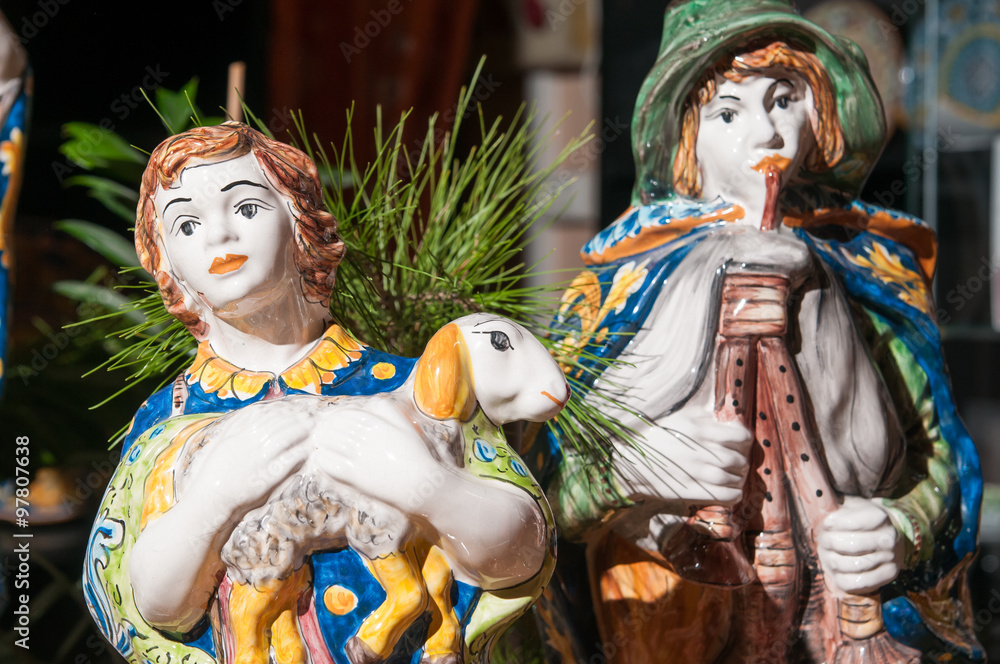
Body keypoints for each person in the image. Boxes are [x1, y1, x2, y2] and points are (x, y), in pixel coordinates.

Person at [537, 1, 983, 662]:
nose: (766, 135)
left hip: (838, 623)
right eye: (728, 112)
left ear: (820, 117)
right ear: (688, 136)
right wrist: (629, 467)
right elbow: (540, 477)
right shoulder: (619, 286)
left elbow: (938, 450)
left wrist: (901, 527)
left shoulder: (870, 271)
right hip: (666, 619)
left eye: (784, 101)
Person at [83, 122, 557, 664]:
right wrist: (212, 500)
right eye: (187, 224)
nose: (218, 237)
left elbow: (521, 554)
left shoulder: (412, 388)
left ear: (300, 222)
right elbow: (155, 605)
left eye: (245, 208)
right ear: (165, 263)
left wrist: (429, 487)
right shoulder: (171, 418)